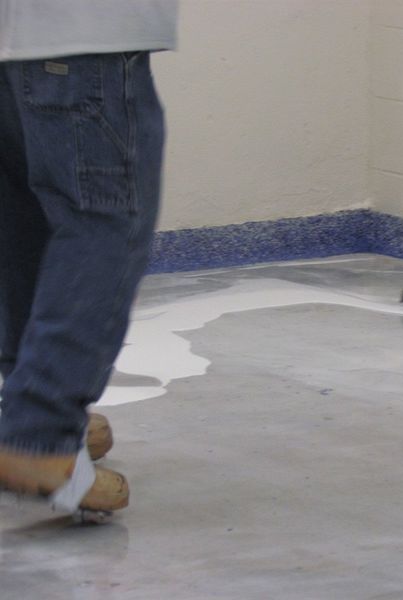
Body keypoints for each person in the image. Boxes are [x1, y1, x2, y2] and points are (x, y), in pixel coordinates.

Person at [0, 1, 178, 516]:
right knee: (106, 227)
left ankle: (27, 416)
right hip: (83, 36)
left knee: (24, 227)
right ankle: (40, 436)